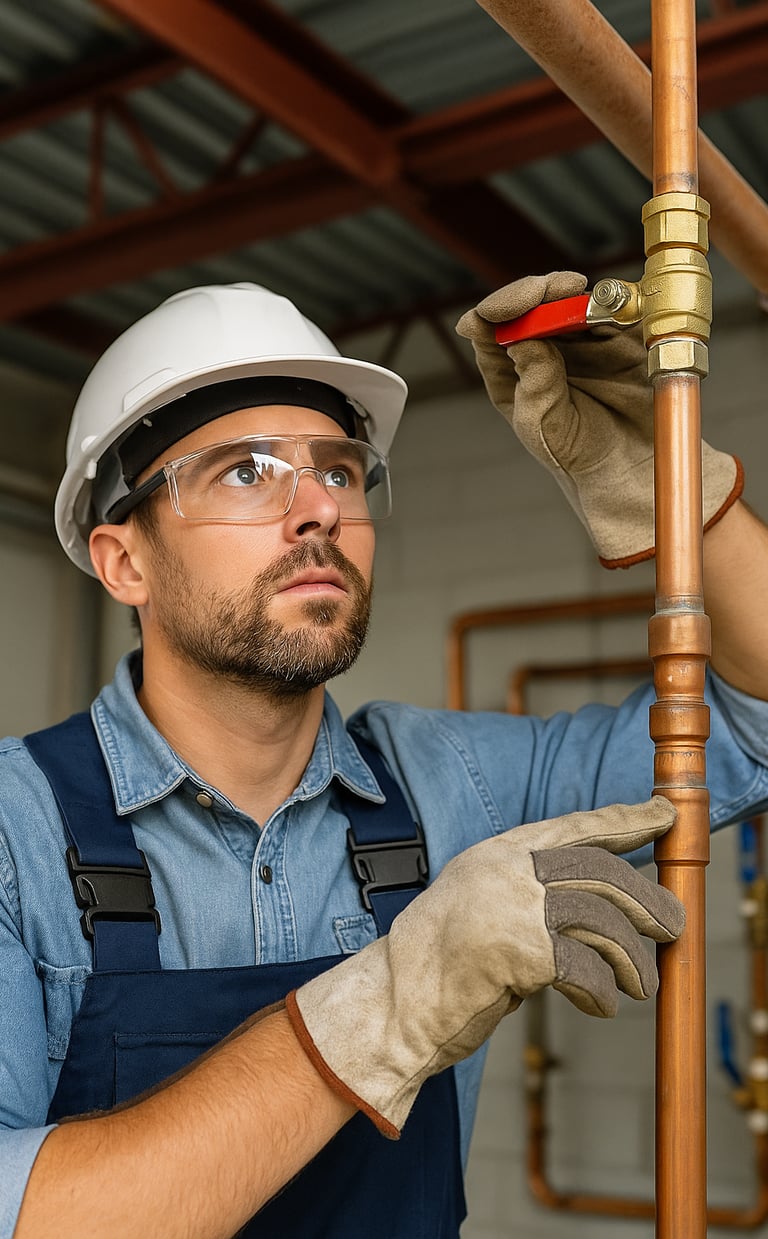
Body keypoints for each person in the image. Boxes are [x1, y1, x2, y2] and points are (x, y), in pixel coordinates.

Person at [1, 274, 766, 1239]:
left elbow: (751, 722)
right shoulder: (14, 831)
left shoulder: (451, 785)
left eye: (338, 469)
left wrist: (674, 495)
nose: (315, 507)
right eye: (245, 470)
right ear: (125, 562)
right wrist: (388, 1001)